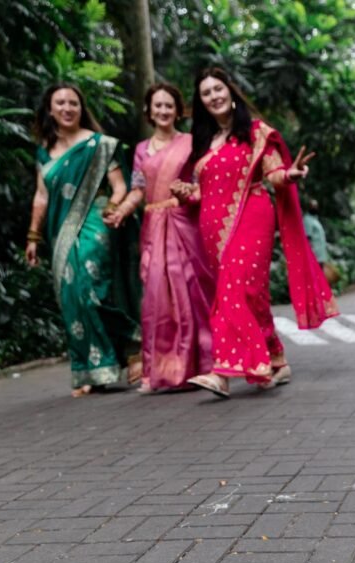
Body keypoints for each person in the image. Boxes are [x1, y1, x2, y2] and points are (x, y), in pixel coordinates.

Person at [171, 66, 337, 398]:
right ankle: (276, 356)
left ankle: (223, 371)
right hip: (212, 226)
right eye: (206, 93)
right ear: (201, 102)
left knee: (232, 291)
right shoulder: (203, 143)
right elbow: (206, 190)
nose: (214, 96)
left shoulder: (257, 133)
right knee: (250, 294)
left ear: (231, 93)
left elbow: (273, 173)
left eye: (219, 89)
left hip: (253, 214)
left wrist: (289, 175)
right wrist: (186, 193)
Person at [25, 83, 141, 397]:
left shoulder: (99, 145)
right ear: (50, 109)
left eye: (73, 103)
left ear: (81, 108)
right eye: (60, 103)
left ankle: (135, 340)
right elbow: (41, 196)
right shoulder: (44, 150)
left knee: (92, 290)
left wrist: (115, 209)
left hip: (95, 222)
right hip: (58, 230)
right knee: (72, 298)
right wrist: (33, 236)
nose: (66, 108)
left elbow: (119, 186)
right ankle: (92, 370)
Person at [105, 83, 215, 394]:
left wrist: (189, 196)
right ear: (149, 111)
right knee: (156, 299)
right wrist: (121, 211)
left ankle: (199, 366)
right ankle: (162, 372)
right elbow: (138, 189)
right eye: (158, 106)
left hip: (184, 224)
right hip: (153, 227)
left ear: (178, 111)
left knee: (190, 293)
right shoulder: (141, 149)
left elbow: (199, 185)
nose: (163, 111)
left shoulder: (192, 143)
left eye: (169, 106)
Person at [302, 199, 329, 267]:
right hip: (314, 256)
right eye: (313, 206)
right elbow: (307, 238)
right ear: (309, 207)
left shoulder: (315, 220)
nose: (315, 208)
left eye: (316, 206)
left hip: (320, 256)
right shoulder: (307, 219)